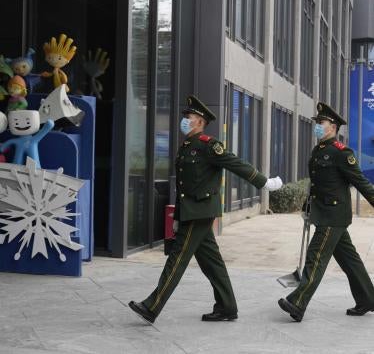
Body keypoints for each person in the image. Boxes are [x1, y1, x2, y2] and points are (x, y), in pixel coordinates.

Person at [129, 95, 283, 324]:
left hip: (200, 211)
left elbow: (236, 164)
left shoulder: (209, 146)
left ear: (200, 122)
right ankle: (227, 307)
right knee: (211, 261)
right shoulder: (187, 147)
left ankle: (152, 306)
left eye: (189, 117)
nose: (184, 120)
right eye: (185, 116)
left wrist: (264, 183)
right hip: (191, 210)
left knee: (177, 258)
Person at [278, 102, 374, 322]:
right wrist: (307, 205)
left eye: (321, 122)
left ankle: (297, 302)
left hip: (333, 216)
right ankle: (368, 298)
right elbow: (318, 183)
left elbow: (360, 181)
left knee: (316, 257)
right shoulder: (319, 149)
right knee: (350, 260)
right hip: (324, 213)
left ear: (333, 127)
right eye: (317, 123)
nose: (317, 126)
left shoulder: (341, 153)